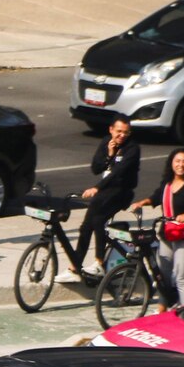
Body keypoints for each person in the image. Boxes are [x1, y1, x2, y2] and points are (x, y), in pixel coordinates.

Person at [55, 114, 140, 283]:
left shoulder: (133, 149)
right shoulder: (106, 142)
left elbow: (118, 173)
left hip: (121, 191)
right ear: (111, 129)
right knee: (85, 227)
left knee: (98, 220)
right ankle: (75, 267)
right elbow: (95, 168)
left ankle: (99, 263)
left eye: (126, 132)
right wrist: (108, 154)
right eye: (118, 131)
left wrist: (97, 188)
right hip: (105, 190)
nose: (121, 135)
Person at [130, 148, 184, 313]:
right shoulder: (167, 184)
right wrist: (141, 203)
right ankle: (161, 309)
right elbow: (156, 197)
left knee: (180, 278)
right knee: (163, 277)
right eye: (177, 161)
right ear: (171, 163)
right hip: (167, 235)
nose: (181, 165)